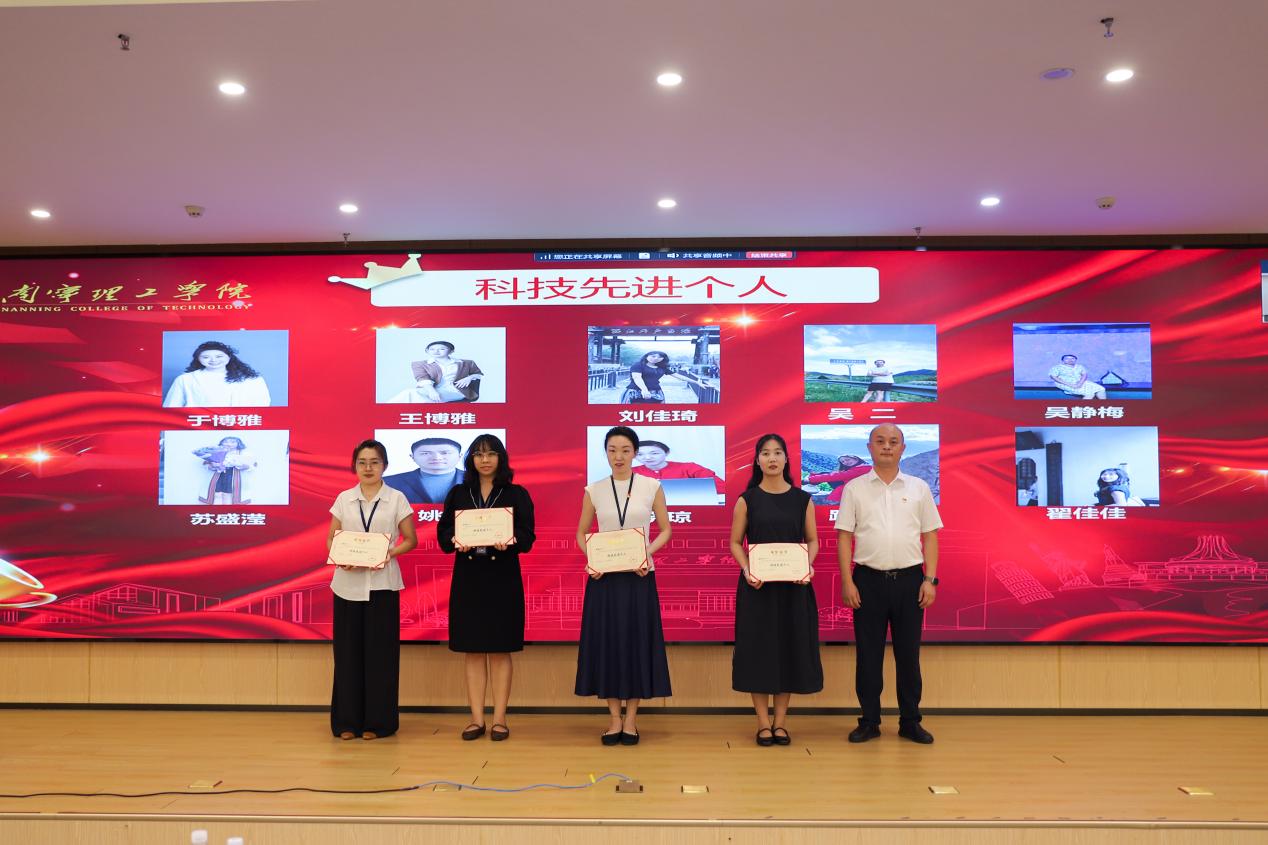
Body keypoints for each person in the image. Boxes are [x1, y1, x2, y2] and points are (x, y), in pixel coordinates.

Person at [835, 424, 942, 745]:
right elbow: (844, 537)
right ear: (869, 447)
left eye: (893, 442)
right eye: (880, 441)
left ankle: (910, 721)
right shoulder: (854, 488)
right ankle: (869, 721)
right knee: (868, 657)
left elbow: (930, 536)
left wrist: (930, 579)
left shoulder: (919, 487)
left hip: (910, 581)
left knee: (909, 656)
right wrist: (847, 581)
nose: (886, 446)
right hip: (867, 581)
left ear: (903, 448)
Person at [575, 426, 672, 745]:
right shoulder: (594, 489)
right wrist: (593, 559)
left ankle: (631, 719)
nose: (619, 456)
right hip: (604, 579)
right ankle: (614, 718)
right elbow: (581, 533)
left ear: (635, 453)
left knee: (636, 644)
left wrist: (646, 554)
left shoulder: (651, 486)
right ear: (605, 453)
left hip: (639, 576)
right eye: (612, 450)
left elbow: (665, 530)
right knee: (608, 645)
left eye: (626, 450)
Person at [437, 434, 536, 742]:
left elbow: (528, 536)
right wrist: (456, 539)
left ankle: (500, 719)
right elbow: (443, 534)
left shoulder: (516, 493)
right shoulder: (458, 493)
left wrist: (509, 539)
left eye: (491, 454)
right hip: (469, 579)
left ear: (501, 458)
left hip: (502, 578)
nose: (485, 460)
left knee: (500, 650)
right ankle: (476, 719)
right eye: (478, 454)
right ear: (471, 460)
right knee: (473, 650)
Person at [730, 434, 823, 747]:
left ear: (786, 459)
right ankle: (762, 723)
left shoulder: (802, 499)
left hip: (794, 588)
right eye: (766, 453)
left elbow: (813, 540)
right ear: (757, 460)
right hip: (757, 589)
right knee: (759, 653)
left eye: (778, 453)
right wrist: (747, 569)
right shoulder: (747, 500)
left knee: (788, 651)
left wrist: (806, 565)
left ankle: (780, 723)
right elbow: (735, 542)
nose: (772, 458)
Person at [326, 439, 418, 740]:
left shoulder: (396, 498)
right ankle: (347, 723)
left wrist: (388, 553)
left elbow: (410, 539)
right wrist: (340, 556)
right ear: (354, 466)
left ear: (385, 466)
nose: (368, 468)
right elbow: (331, 538)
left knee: (381, 656)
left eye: (374, 462)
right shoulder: (344, 498)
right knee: (348, 656)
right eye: (362, 462)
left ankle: (379, 723)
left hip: (383, 585)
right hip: (347, 586)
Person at [163, 340, 272, 407]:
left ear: (229, 357)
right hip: (198, 425)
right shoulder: (186, 379)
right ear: (198, 359)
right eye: (206, 357)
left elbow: (263, 403)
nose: (213, 360)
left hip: (241, 424)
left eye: (219, 356)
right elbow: (171, 405)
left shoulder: (251, 379)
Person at [391, 341, 484, 403]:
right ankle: (387, 412)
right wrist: (432, 391)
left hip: (457, 391)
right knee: (409, 393)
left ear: (451, 351)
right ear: (427, 351)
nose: (436, 351)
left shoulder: (466, 363)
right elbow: (422, 378)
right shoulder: (419, 364)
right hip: (432, 390)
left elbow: (478, 374)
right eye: (432, 349)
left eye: (442, 349)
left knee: (415, 397)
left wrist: (469, 378)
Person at [383, 437, 465, 504]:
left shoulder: (472, 478)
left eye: (445, 453)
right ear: (412, 457)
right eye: (426, 453)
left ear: (460, 456)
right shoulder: (388, 482)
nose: (436, 458)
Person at [633, 440, 724, 493]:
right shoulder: (629, 472)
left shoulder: (690, 468)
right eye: (640, 454)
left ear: (667, 453)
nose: (647, 458)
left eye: (654, 453)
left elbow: (721, 487)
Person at [620, 351, 712, 403]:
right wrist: (644, 390)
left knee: (655, 414)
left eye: (659, 357)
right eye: (653, 356)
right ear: (646, 356)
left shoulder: (662, 367)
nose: (656, 358)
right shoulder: (638, 365)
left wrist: (696, 382)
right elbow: (637, 378)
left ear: (663, 359)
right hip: (635, 392)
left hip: (656, 393)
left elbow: (678, 376)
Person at [194, 436, 257, 505]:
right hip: (219, 475)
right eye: (226, 442)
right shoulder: (215, 451)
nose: (229, 444)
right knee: (217, 493)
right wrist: (213, 466)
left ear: (238, 443)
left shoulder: (245, 454)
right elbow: (206, 464)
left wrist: (245, 466)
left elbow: (253, 464)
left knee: (230, 493)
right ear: (221, 443)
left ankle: (228, 508)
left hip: (234, 476)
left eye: (233, 442)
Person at [805, 454, 870, 505]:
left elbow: (836, 476)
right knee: (828, 474)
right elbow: (839, 475)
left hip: (848, 495)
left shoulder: (863, 469)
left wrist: (810, 479)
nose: (845, 462)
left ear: (856, 458)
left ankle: (809, 483)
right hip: (850, 491)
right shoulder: (861, 467)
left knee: (830, 476)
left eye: (847, 459)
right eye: (843, 461)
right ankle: (810, 483)